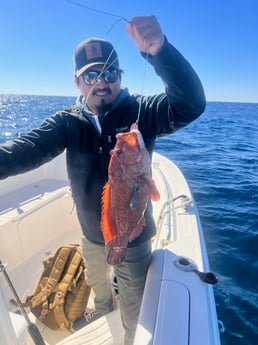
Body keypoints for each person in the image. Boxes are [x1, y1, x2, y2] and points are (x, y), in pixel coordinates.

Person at [0, 16, 206, 345]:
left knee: (137, 312)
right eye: (91, 74)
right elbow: (26, 150)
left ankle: (128, 335)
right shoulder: (67, 121)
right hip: (92, 235)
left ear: (119, 77)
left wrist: (160, 51)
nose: (102, 81)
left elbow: (191, 104)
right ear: (78, 82)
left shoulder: (143, 112)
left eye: (109, 73)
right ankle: (103, 302)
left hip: (134, 239)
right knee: (96, 279)